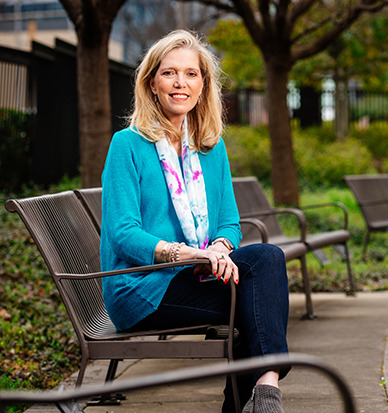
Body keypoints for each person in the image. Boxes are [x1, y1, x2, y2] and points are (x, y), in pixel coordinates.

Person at [100, 29, 290, 413]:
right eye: (169, 73)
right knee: (253, 302)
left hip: (193, 273)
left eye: (191, 74)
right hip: (141, 287)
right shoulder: (128, 145)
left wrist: (218, 249)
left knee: (267, 259)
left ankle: (267, 390)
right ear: (151, 83)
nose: (180, 83)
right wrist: (186, 254)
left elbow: (229, 222)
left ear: (203, 85)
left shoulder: (210, 146)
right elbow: (123, 233)